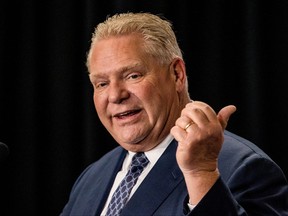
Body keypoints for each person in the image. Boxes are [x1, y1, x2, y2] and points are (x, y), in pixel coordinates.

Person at [60, 12, 288, 216]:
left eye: (133, 76)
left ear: (177, 74)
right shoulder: (91, 178)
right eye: (101, 84)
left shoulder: (243, 169)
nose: (115, 95)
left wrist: (201, 174)